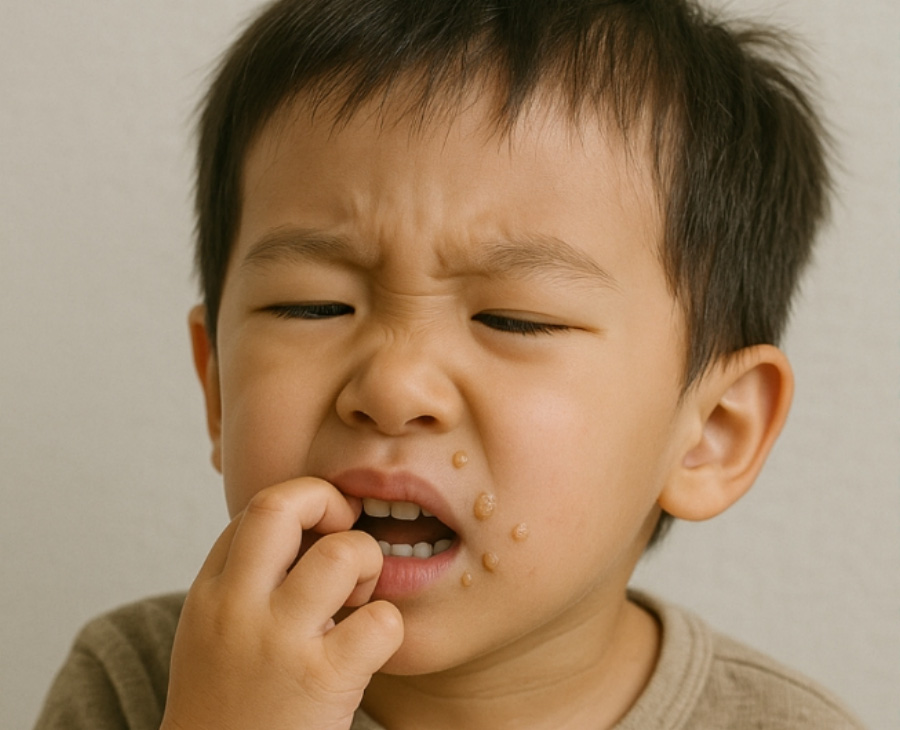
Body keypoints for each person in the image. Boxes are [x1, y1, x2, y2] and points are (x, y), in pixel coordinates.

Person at [34, 1, 866, 728]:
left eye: (515, 319)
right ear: (217, 387)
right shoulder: (140, 683)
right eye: (313, 307)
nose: (392, 388)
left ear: (711, 433)